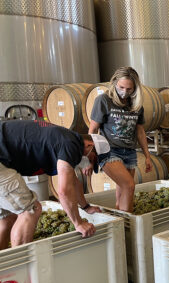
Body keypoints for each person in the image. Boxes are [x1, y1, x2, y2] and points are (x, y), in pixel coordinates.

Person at [0, 120, 109, 250]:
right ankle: (19, 266)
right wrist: (78, 223)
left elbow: (73, 182)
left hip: (3, 157)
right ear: (89, 145)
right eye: (91, 159)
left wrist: (85, 207)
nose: (88, 164)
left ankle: (4, 266)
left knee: (7, 218)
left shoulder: (66, 138)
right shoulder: (72, 144)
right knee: (30, 210)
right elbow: (63, 191)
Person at [88, 67, 152, 212]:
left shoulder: (136, 104)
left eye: (129, 89)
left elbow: (140, 131)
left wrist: (147, 156)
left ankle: (120, 222)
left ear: (135, 88)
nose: (124, 91)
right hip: (108, 151)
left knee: (123, 194)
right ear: (114, 83)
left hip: (129, 152)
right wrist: (89, 158)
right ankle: (128, 224)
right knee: (129, 185)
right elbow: (92, 130)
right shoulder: (103, 100)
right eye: (121, 87)